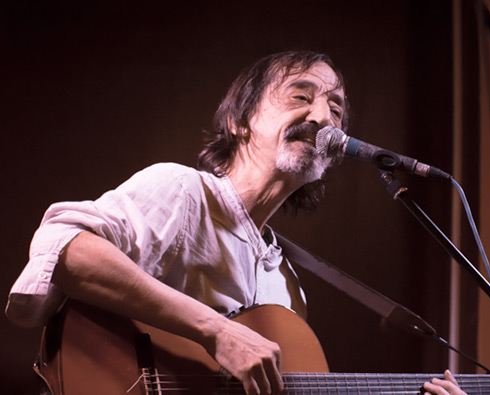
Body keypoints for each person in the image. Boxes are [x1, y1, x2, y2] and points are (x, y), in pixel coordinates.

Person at [6, 50, 465, 395]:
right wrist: (216, 330)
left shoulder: (286, 289)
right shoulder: (183, 192)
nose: (323, 117)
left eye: (337, 109)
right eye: (301, 96)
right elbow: (66, 249)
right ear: (239, 121)